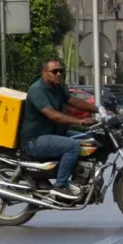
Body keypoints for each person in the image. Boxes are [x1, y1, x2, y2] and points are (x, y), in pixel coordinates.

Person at [19, 57, 97, 200]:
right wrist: (80, 121)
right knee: (72, 146)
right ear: (44, 72)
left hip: (52, 133)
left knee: (90, 139)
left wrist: (98, 109)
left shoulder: (57, 87)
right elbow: (53, 115)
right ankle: (60, 186)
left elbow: (73, 101)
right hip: (34, 140)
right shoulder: (37, 90)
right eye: (55, 71)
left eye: (61, 71)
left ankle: (82, 179)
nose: (59, 74)